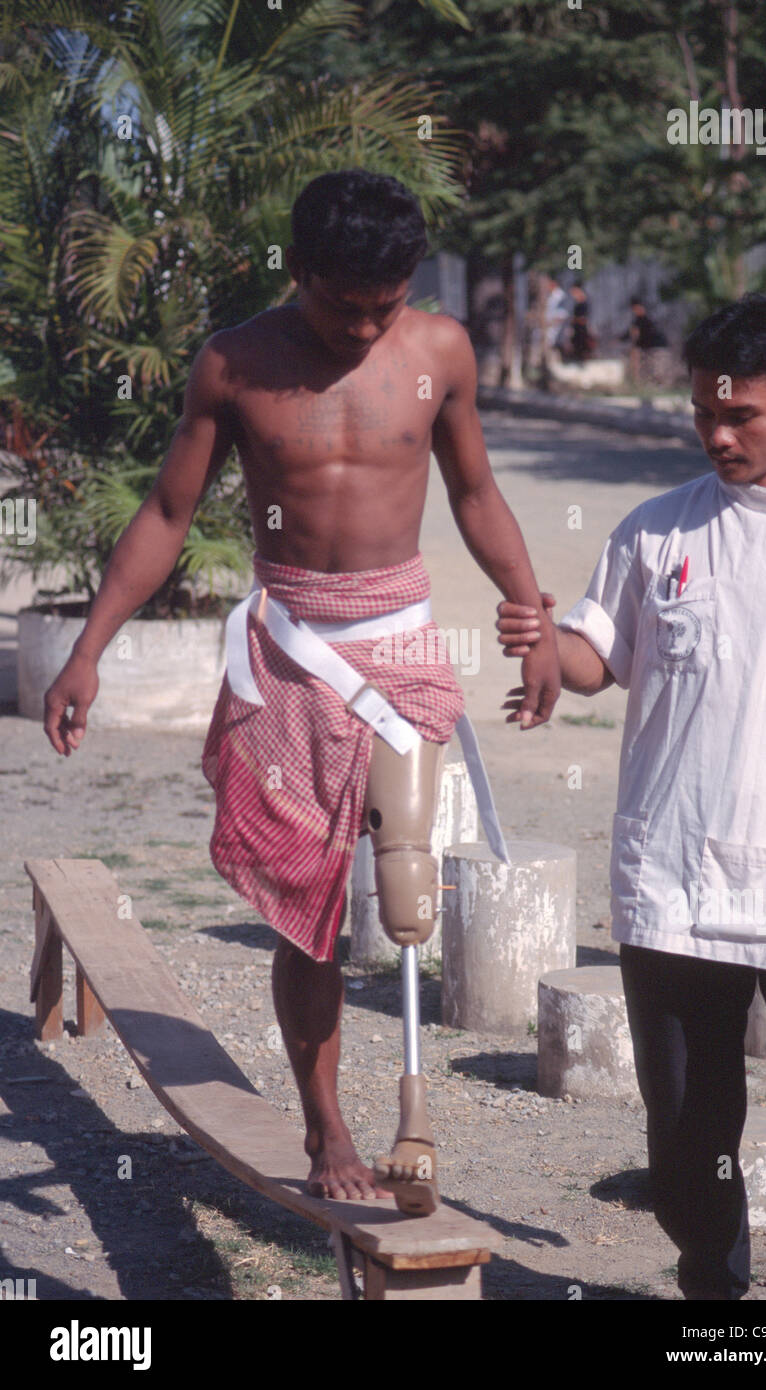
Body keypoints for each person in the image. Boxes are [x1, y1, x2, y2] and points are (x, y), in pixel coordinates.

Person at [42, 169, 560, 1205]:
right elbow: (166, 512)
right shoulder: (235, 362)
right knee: (305, 907)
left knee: (405, 878)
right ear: (297, 271)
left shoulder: (438, 350)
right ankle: (326, 1128)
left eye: (388, 301)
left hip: (400, 637)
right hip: (289, 649)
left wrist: (530, 616)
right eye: (343, 303)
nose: (367, 325)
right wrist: (90, 646)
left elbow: (473, 490)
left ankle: (414, 1113)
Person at [496, 294, 766, 1299]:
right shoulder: (654, 534)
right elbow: (593, 657)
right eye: (703, 413)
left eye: (742, 415)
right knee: (691, 1115)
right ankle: (712, 1292)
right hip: (676, 877)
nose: (718, 434)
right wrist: (539, 641)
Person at [621, 295, 669, 385]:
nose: (635, 311)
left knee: (657, 371)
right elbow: (630, 334)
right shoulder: (637, 321)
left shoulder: (648, 319)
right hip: (648, 349)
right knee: (648, 372)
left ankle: (658, 386)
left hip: (656, 348)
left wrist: (635, 345)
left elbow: (640, 335)